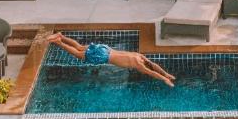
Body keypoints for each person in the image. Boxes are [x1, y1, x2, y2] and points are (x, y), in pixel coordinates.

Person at [47, 33, 176, 86]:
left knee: (79, 47)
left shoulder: (138, 55)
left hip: (106, 49)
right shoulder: (138, 65)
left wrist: (166, 73)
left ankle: (61, 36)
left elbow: (154, 65)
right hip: (104, 56)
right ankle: (59, 42)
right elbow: (152, 72)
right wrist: (165, 79)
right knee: (77, 54)